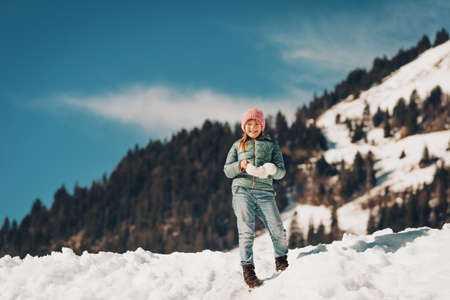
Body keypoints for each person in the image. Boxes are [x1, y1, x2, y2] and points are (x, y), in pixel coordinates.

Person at [223, 108, 288, 288]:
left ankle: (281, 262)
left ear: (262, 125)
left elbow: (281, 172)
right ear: (244, 127)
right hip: (242, 190)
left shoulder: (272, 145)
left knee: (278, 229)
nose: (252, 128)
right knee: (246, 231)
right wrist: (240, 165)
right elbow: (227, 170)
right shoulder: (238, 145)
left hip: (265, 192)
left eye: (256, 124)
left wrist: (273, 170)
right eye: (249, 124)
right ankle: (248, 270)